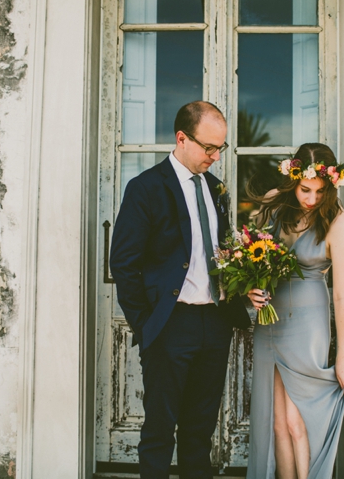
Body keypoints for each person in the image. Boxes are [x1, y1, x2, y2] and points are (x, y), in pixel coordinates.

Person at [110, 101, 251, 479]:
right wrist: (147, 324)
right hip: (170, 326)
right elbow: (123, 263)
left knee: (199, 433)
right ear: (181, 138)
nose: (216, 157)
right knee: (159, 433)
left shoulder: (215, 188)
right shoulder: (146, 188)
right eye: (209, 148)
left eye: (220, 148)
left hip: (214, 323)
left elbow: (221, 253)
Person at [245, 143, 344, 479]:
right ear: (294, 180)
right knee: (276, 422)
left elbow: (342, 296)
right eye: (305, 189)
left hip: (308, 323)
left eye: (320, 192)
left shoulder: (337, 221)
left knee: (296, 420)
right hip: (270, 321)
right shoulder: (275, 204)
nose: (311, 198)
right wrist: (251, 288)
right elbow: (251, 254)